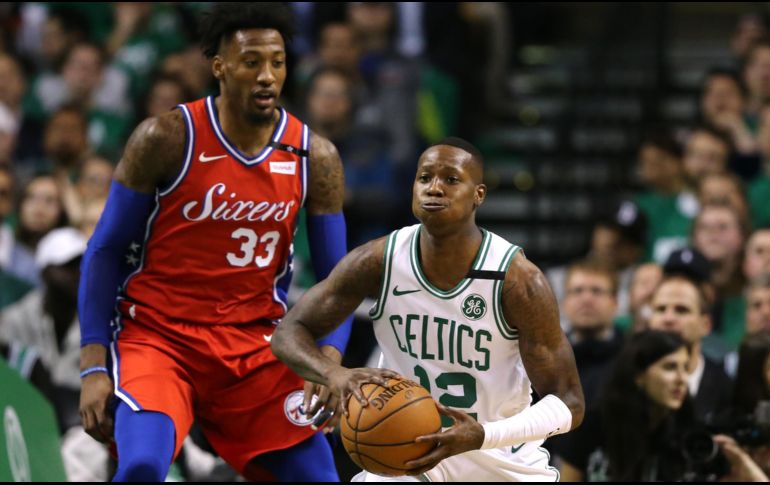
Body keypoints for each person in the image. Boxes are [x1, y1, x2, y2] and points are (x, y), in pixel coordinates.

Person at [77, 3, 353, 481]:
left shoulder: (315, 156)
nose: (267, 76)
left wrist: (328, 361)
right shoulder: (165, 137)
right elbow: (104, 250)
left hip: (255, 345)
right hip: (158, 337)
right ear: (220, 66)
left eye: (278, 62)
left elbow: (337, 280)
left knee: (318, 477)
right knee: (141, 466)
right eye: (251, 62)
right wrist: (92, 366)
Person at [272, 137, 585, 481]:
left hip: (496, 456)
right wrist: (332, 373)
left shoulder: (517, 280)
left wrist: (482, 435)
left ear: (478, 195)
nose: (434, 188)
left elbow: (570, 403)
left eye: (451, 179)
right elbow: (288, 332)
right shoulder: (380, 259)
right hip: (406, 449)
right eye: (425, 178)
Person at [559, 330, 695, 482]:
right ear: (639, 375)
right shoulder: (596, 422)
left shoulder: (686, 425)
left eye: (686, 368)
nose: (681, 379)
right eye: (670, 367)